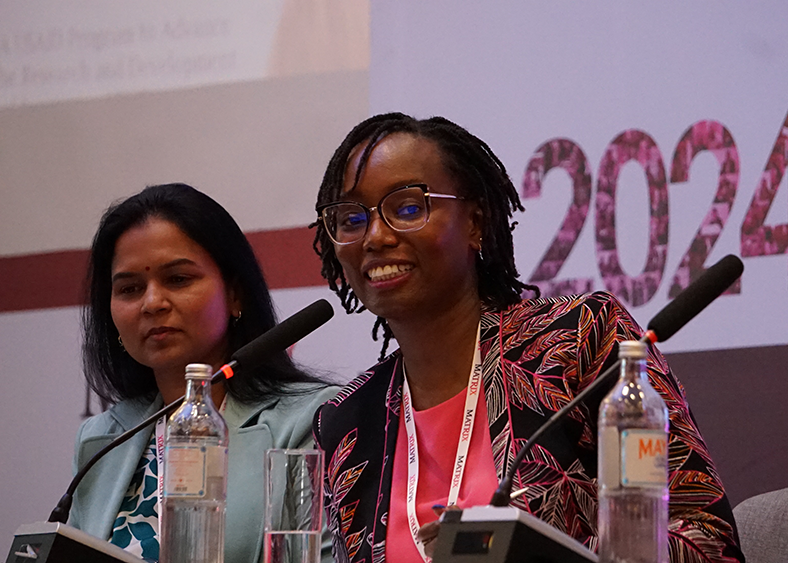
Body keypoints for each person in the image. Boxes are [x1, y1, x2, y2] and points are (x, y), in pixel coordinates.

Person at [311, 113, 745, 562]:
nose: (375, 236)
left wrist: (532, 555)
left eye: (406, 208)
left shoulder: (578, 341)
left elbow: (707, 541)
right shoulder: (346, 421)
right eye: (351, 218)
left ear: (475, 223)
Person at [70, 183, 341, 563]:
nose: (152, 303)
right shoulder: (99, 441)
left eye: (178, 279)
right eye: (130, 288)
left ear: (235, 294)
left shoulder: (308, 423)